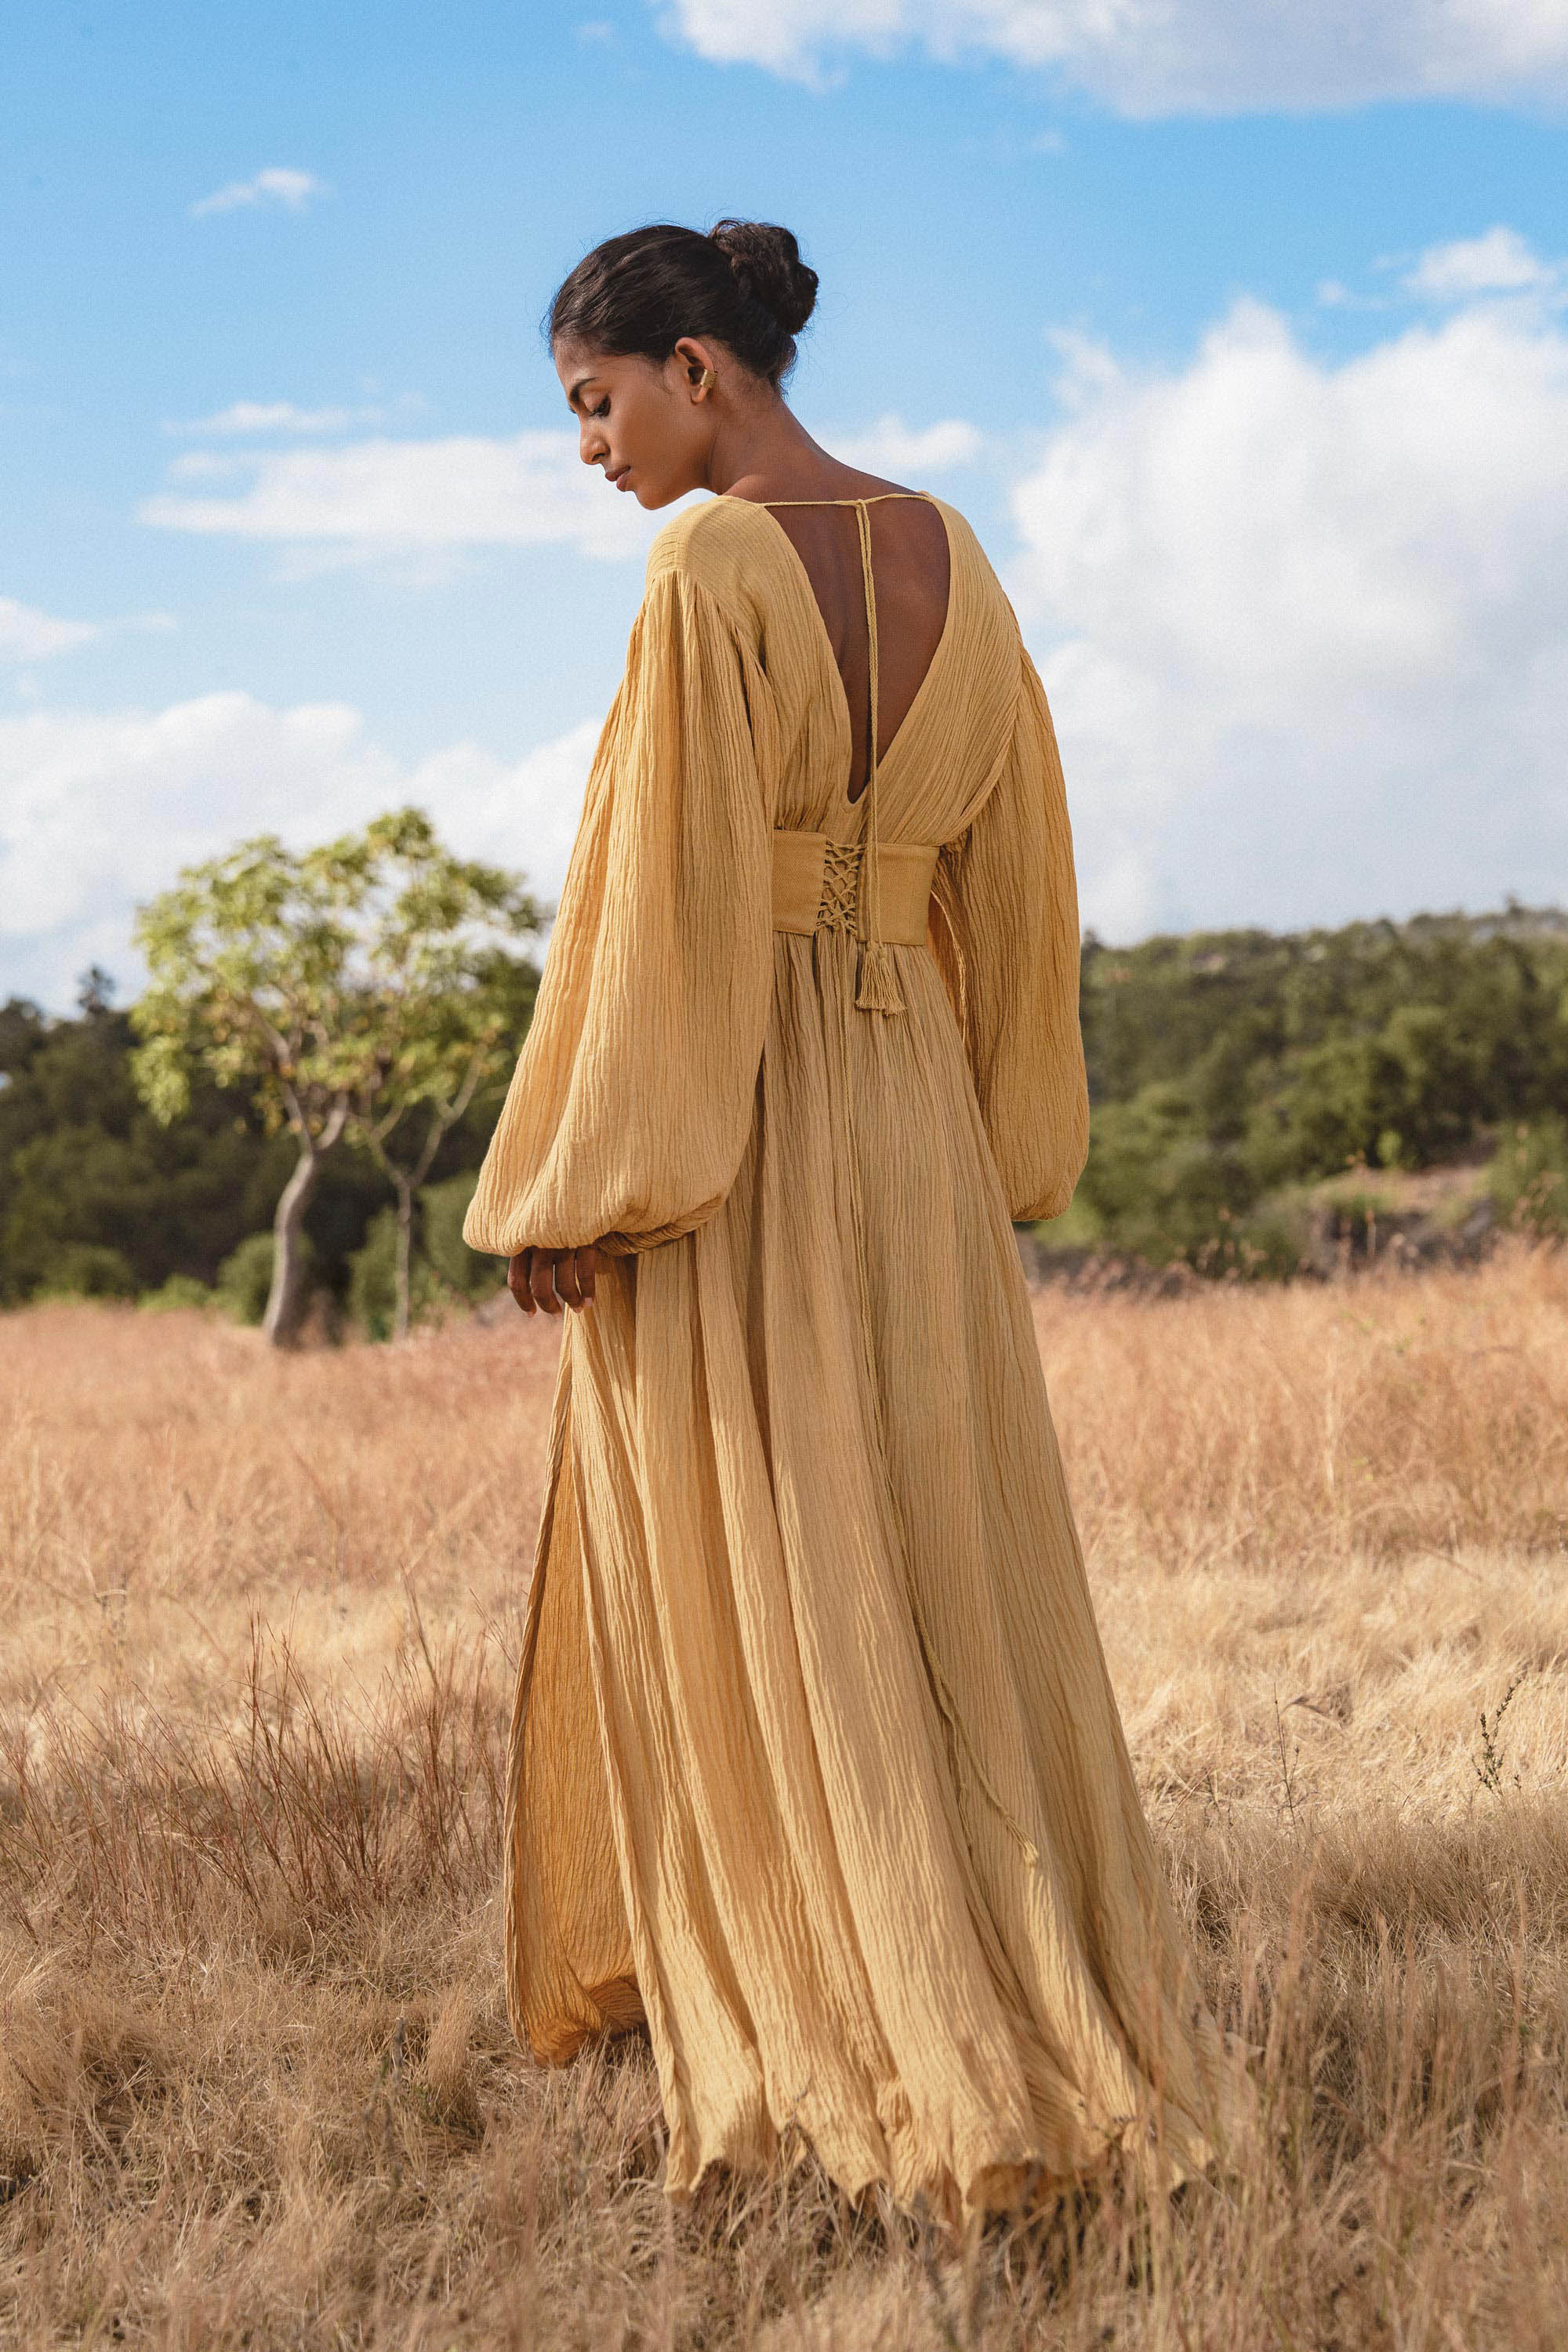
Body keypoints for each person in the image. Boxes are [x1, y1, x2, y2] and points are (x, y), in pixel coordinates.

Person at [463, 218, 1254, 2233]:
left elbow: (663, 903)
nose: (590, 448)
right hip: (908, 1117)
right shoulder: (956, 554)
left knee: (761, 1545)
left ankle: (860, 2002)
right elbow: (1024, 884)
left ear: (698, 369)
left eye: (595, 401)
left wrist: (580, 1184)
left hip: (744, 1115)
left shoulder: (709, 569)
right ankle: (1008, 1966)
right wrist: (1000, 1138)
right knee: (927, 1547)